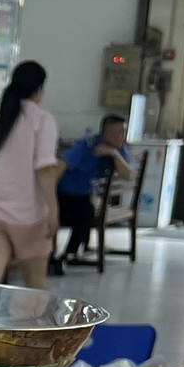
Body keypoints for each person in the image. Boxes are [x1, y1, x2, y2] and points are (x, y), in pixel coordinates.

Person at [0, 60, 61, 287]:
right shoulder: (43, 120)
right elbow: (44, 171)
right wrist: (54, 212)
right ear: (39, 89)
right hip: (29, 218)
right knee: (35, 286)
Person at [51, 113, 130, 273]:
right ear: (106, 134)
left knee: (86, 210)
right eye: (119, 133)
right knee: (84, 212)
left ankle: (68, 255)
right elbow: (61, 166)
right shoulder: (85, 146)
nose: (122, 137)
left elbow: (129, 175)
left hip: (84, 196)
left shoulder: (119, 150)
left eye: (124, 133)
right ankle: (55, 257)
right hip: (65, 194)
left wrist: (113, 154)